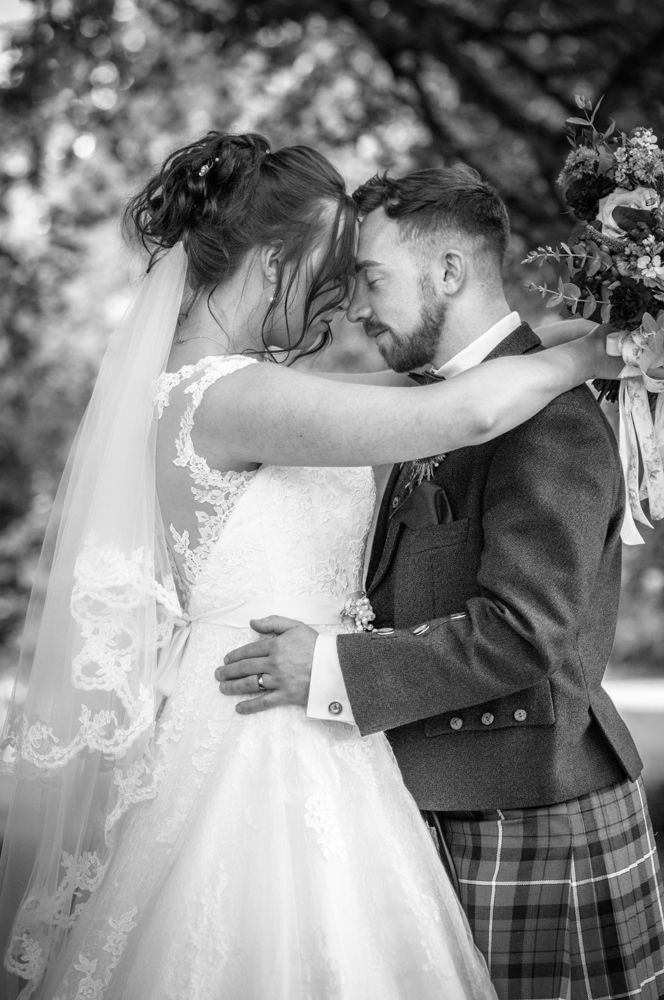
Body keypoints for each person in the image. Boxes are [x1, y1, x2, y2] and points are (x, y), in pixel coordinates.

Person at [0, 134, 620, 1000]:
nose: (341, 298)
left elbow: (423, 391)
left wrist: (535, 342)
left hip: (271, 709)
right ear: (272, 261)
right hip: (269, 730)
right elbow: (464, 413)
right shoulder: (237, 396)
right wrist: (593, 353)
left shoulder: (206, 386)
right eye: (333, 268)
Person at [219, 164, 664, 1000]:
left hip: (529, 814)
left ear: (449, 271)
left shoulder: (551, 420)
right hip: (438, 806)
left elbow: (522, 635)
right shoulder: (439, 405)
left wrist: (329, 666)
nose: (354, 306)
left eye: (371, 278)